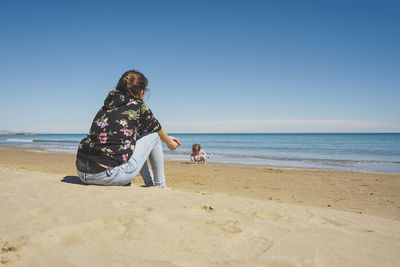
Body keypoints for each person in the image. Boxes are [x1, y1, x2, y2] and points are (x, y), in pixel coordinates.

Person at [75, 70, 181, 188]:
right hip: (107, 175)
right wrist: (169, 142)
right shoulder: (138, 107)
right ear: (142, 92)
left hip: (82, 172)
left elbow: (140, 137)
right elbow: (155, 128)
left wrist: (167, 138)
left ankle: (149, 184)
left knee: (136, 138)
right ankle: (160, 186)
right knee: (155, 137)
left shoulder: (106, 107)